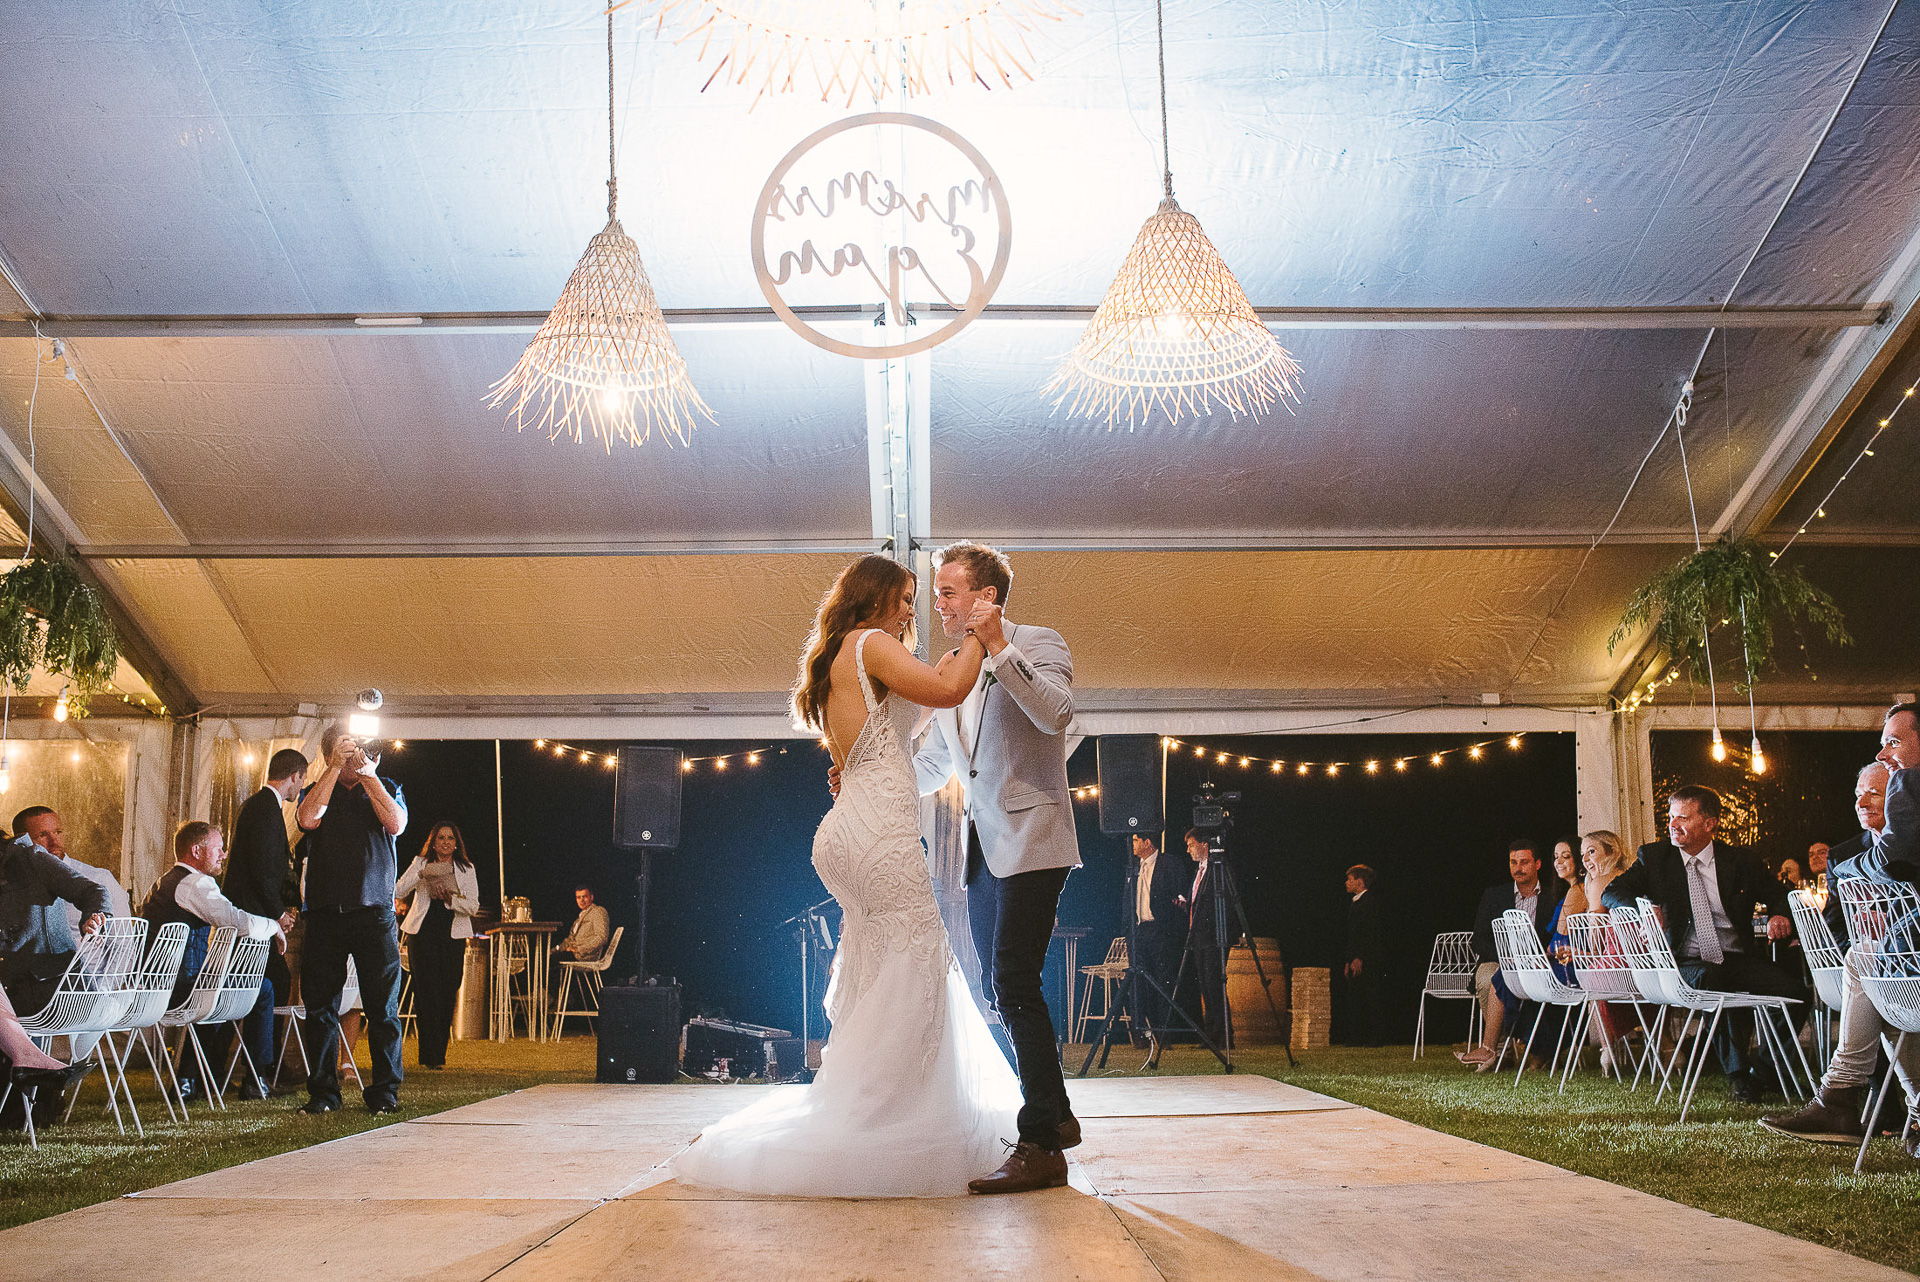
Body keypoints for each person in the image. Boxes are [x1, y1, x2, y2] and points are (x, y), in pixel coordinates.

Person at [671, 552, 1017, 1198]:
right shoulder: (873, 642)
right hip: (879, 833)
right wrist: (977, 630)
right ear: (879, 596)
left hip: (843, 833)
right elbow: (948, 691)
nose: (913, 609)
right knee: (915, 961)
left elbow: (876, 745)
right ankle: (881, 1116)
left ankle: (874, 1101)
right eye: (908, 597)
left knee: (883, 969)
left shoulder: (838, 658)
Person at [913, 541, 1083, 1194]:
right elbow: (938, 764)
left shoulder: (1038, 643)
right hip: (984, 848)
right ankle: (1056, 1118)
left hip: (1036, 835)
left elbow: (1056, 714)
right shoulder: (951, 668)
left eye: (950, 591)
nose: (940, 603)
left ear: (987, 596)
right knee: (998, 985)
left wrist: (999, 650)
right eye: (938, 592)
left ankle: (1041, 1138)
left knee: (1014, 979)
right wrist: (876, 776)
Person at [1762, 707, 1920, 1155]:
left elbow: (1893, 856)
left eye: (1893, 741)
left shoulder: (1912, 782)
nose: (1883, 749)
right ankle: (1851, 1097)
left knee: (1872, 966)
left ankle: (1840, 1096)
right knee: (1876, 967)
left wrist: (1851, 871)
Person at [1602, 785, 1802, 1103]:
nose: (1672, 824)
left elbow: (1780, 893)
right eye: (1670, 817)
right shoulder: (1655, 858)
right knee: (1713, 979)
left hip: (1735, 956)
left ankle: (1763, 1071)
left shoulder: (1741, 861)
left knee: (1797, 992)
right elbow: (1610, 893)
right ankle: (1739, 1077)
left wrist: (1779, 913)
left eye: (1683, 817)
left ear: (1710, 824)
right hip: (1684, 961)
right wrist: (1640, 905)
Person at [295, 724, 407, 1115]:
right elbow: (308, 819)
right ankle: (324, 1093)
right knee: (320, 1006)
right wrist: (332, 769)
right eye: (347, 749)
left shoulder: (386, 784)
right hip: (325, 911)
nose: (357, 753)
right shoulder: (317, 787)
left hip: (374, 912)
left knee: (382, 1008)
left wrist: (369, 776)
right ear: (329, 754)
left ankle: (384, 1091)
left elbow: (396, 824)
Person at [140, 821, 287, 1099]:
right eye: (218, 849)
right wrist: (274, 926)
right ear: (196, 850)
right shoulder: (195, 883)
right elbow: (235, 922)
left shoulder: (164, 881)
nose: (223, 855)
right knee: (262, 988)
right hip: (178, 990)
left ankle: (190, 1081)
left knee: (214, 988)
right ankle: (256, 1079)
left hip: (154, 987)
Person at [222, 750, 305, 1087]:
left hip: (254, 916)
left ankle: (258, 1064)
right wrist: (279, 914)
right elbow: (263, 871)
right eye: (301, 779)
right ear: (296, 776)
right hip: (253, 919)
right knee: (271, 984)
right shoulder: (266, 809)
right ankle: (263, 1066)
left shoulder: (259, 807)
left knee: (266, 984)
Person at [1457, 840, 1553, 1068]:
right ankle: (1501, 1051)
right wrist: (1506, 959)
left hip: (1539, 962)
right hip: (1499, 960)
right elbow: (1479, 938)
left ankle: (1524, 1048)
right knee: (1487, 977)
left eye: (1524, 862)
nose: (1518, 868)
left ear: (1537, 864)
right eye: (1513, 862)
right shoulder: (1494, 896)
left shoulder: (1552, 896)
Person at [0, 822, 107, 1016]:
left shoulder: (30, 858)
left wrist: (94, 919)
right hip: (13, 993)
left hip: (56, 991)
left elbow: (93, 891)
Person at [395, 822, 479, 1070]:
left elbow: (473, 906)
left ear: (456, 843)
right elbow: (398, 889)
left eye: (450, 838)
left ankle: (438, 1053)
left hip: (452, 934)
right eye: (441, 837)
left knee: (447, 991)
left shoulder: (466, 868)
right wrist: (420, 875)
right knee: (426, 992)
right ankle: (429, 1057)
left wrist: (450, 898)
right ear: (433, 841)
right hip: (422, 933)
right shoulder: (420, 863)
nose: (445, 842)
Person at [13, 808, 131, 937]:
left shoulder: (100, 878)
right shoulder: (14, 887)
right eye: (42, 835)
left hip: (85, 957)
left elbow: (123, 945)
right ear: (21, 842)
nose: (54, 842)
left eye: (58, 832)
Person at [1821, 762, 1889, 951]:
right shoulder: (1841, 856)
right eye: (1858, 795)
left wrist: (1891, 929)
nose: (1861, 804)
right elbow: (1833, 927)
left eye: (1874, 793)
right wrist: (1862, 945)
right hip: (1864, 963)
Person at [1129, 832, 1185, 1048]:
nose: (1133, 844)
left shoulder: (1168, 864)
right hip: (1138, 931)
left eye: (1136, 840)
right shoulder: (1133, 867)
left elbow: (1179, 896)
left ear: (1147, 842)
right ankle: (1140, 1035)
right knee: (1137, 983)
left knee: (1163, 982)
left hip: (1160, 930)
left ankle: (1164, 1035)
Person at [1176, 830, 1228, 1048]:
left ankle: (1221, 1035)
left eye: (1191, 844)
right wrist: (1186, 904)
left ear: (1204, 845)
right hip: (1198, 937)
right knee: (1205, 987)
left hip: (1212, 937)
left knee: (1214, 985)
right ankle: (1212, 1033)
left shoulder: (1217, 869)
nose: (1188, 849)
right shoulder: (1199, 871)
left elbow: (1221, 902)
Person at [1342, 864, 1383, 1047]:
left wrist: (1360, 958)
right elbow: (1353, 936)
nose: (1346, 883)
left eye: (1350, 880)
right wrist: (1348, 960)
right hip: (1355, 957)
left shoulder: (1369, 903)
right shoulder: (1356, 902)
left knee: (1370, 997)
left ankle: (1374, 1038)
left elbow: (1369, 933)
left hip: (1368, 958)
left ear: (1359, 882)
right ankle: (1356, 1037)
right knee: (1355, 998)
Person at [554, 885, 611, 971]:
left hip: (584, 956)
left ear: (591, 897)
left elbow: (601, 938)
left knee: (547, 961)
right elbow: (570, 940)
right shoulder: (580, 917)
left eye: (584, 897)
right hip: (573, 954)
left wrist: (579, 949)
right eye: (578, 897)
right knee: (545, 958)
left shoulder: (598, 911)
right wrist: (555, 950)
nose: (581, 900)